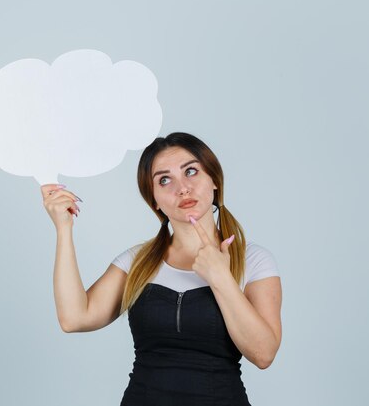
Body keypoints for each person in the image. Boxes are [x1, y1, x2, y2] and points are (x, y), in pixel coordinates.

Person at [40, 132, 282, 405]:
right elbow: (74, 318)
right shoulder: (137, 262)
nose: (182, 188)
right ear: (154, 199)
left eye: (191, 171)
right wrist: (63, 229)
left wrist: (221, 278)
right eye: (164, 180)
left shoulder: (255, 260)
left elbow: (263, 354)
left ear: (214, 180)